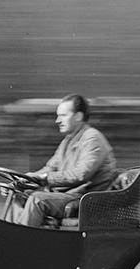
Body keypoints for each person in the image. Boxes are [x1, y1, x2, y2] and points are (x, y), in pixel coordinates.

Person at [10, 94, 117, 227]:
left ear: (78, 116)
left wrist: (44, 177)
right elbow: (51, 167)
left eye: (63, 115)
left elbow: (81, 174)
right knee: (18, 196)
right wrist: (27, 179)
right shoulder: (68, 140)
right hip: (66, 195)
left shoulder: (92, 139)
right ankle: (9, 237)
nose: (57, 121)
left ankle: (19, 241)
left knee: (37, 199)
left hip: (84, 199)